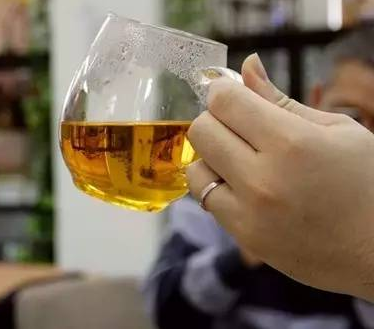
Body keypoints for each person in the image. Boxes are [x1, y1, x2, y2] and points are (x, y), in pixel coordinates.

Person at [144, 30, 374, 328]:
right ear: (317, 99)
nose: (366, 138)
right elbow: (166, 310)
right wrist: (243, 255)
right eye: (353, 117)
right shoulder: (227, 170)